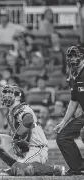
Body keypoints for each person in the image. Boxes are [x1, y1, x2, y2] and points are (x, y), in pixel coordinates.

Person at [0, 85, 53, 175]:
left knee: (21, 168)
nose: (6, 96)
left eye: (10, 94)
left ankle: (54, 170)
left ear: (18, 97)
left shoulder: (23, 108)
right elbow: (16, 133)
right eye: (5, 94)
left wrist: (17, 137)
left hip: (37, 148)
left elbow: (28, 120)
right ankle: (15, 166)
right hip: (24, 148)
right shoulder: (10, 113)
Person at [54, 45, 84, 175]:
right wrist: (63, 122)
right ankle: (78, 168)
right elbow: (73, 102)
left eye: (76, 55)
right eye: (70, 56)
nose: (73, 58)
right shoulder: (73, 74)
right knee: (62, 137)